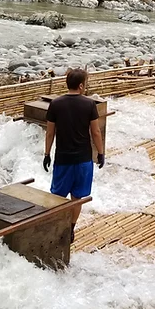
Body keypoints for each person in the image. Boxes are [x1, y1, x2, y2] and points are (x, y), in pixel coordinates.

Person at [43, 68, 105, 242]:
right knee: (77, 197)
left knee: (57, 197)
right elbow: (96, 132)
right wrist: (100, 153)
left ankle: (56, 226)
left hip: (62, 158)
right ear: (80, 85)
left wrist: (47, 154)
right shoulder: (89, 104)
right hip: (83, 159)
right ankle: (70, 228)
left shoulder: (56, 104)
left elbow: (49, 133)